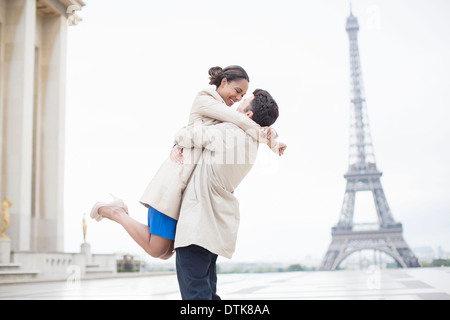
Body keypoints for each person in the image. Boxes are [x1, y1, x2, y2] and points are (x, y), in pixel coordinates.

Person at [90, 66, 286, 260]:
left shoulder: (226, 115)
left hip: (186, 188)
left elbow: (240, 124)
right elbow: (240, 120)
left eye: (243, 96)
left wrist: (270, 132)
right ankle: (115, 211)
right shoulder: (205, 98)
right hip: (174, 179)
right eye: (237, 91)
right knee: (157, 248)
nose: (239, 99)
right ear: (224, 82)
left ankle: (117, 211)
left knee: (166, 252)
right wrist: (271, 140)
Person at [174, 88, 281, 300]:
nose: (239, 101)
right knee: (207, 293)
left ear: (248, 115)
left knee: (196, 297)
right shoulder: (252, 142)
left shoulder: (230, 132)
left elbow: (184, 135)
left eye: (245, 100)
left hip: (197, 225)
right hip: (214, 229)